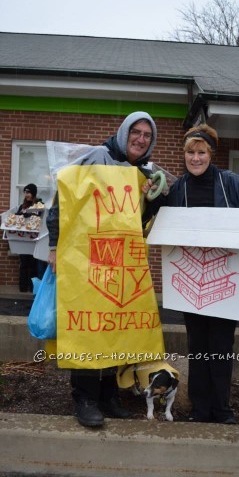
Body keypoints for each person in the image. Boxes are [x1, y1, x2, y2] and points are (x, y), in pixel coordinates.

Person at [143, 124, 239, 424]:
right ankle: (201, 409)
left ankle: (222, 409)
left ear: (211, 153)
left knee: (220, 345)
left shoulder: (231, 183)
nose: (195, 158)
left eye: (201, 152)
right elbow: (158, 221)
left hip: (225, 278)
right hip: (189, 279)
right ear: (183, 154)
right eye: (190, 152)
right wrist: (152, 197)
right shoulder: (178, 187)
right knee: (197, 346)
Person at [46, 111, 158, 427]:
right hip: (85, 258)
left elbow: (142, 222)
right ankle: (85, 397)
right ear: (124, 132)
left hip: (123, 263)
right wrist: (54, 245)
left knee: (116, 329)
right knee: (87, 329)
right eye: (135, 131)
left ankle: (109, 396)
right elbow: (62, 200)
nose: (140, 139)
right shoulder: (96, 157)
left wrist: (154, 199)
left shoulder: (145, 173)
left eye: (147, 135)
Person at [15, 184, 42, 292]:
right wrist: (22, 214)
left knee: (33, 264)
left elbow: (43, 218)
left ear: (33, 193)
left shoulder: (40, 205)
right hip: (23, 240)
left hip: (34, 241)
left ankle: (32, 287)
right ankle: (23, 287)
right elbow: (16, 219)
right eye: (25, 192)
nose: (27, 195)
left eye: (29, 192)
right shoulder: (22, 207)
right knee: (24, 264)